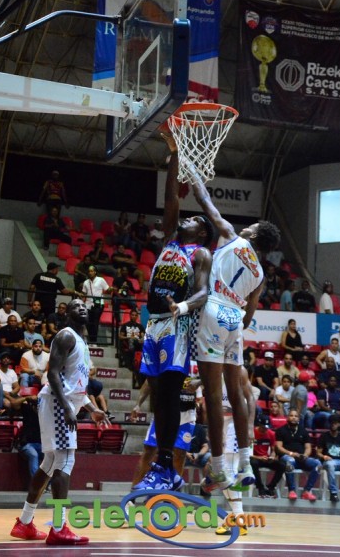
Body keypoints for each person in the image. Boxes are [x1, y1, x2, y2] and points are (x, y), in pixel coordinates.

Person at [190, 159, 280, 494]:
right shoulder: (260, 275)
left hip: (214, 308)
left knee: (213, 396)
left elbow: (204, 200)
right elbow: (249, 318)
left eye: (252, 225)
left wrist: (191, 171)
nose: (248, 226)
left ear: (253, 235)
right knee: (238, 393)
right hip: (234, 320)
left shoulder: (230, 235)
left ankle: (218, 469)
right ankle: (245, 464)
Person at [133, 144, 213, 492]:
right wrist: (175, 153)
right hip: (154, 324)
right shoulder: (169, 239)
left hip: (177, 326)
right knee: (157, 397)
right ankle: (164, 463)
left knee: (168, 395)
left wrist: (182, 307)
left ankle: (166, 462)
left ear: (202, 232)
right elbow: (170, 197)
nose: (187, 219)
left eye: (195, 220)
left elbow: (203, 292)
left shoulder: (200, 253)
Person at [10, 299, 109, 545]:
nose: (82, 307)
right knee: (65, 460)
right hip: (57, 402)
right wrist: (66, 407)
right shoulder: (66, 336)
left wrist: (93, 409)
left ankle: (24, 523)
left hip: (60, 401)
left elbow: (75, 384)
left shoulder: (81, 342)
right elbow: (52, 373)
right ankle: (59, 527)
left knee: (50, 463)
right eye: (76, 305)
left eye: (84, 305)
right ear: (67, 313)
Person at [131, 374, 203, 492]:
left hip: (187, 415)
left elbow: (209, 377)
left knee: (180, 455)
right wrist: (138, 404)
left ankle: (169, 495)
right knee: (149, 451)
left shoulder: (197, 365)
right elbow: (149, 380)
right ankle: (133, 494)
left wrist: (199, 383)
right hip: (165, 411)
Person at [214, 366, 257, 537]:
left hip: (236, 423)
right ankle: (237, 516)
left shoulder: (240, 370)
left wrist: (250, 426)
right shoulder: (212, 368)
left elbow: (250, 398)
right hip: (221, 423)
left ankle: (239, 520)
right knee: (222, 474)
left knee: (229, 471)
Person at [275, 409, 321, 501]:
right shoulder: (281, 430)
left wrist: (305, 455)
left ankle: (306, 491)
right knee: (290, 461)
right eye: (291, 416)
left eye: (296, 416)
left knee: (318, 464)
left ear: (299, 419)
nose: (293, 418)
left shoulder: (303, 431)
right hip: (287, 457)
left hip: (301, 458)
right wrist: (291, 454)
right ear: (287, 417)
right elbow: (278, 447)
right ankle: (291, 490)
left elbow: (308, 447)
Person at [316, 413, 340, 502]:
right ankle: (333, 493)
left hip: (339, 461)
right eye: (332, 423)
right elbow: (318, 453)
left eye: (335, 423)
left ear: (338, 424)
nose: (333, 425)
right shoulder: (324, 436)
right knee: (330, 465)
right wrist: (324, 456)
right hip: (327, 462)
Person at [250, 413, 285, 498]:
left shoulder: (271, 434)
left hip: (265, 458)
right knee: (253, 463)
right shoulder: (252, 433)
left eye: (266, 427)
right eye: (263, 427)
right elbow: (248, 453)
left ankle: (271, 487)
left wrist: (272, 456)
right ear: (259, 425)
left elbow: (273, 450)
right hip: (254, 457)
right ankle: (260, 487)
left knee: (282, 465)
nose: (265, 429)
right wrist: (259, 458)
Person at [82, 265, 112, 344]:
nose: (90, 272)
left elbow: (107, 290)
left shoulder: (101, 280)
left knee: (95, 322)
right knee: (88, 322)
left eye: (92, 271)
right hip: (88, 305)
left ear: (95, 272)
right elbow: (84, 294)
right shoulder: (85, 282)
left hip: (99, 304)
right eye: (89, 271)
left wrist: (111, 289)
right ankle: (91, 340)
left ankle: (94, 341)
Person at [18, 398, 43, 480]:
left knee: (51, 456)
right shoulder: (28, 411)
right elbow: (14, 404)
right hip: (27, 444)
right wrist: (26, 398)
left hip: (41, 445)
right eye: (36, 406)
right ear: (33, 406)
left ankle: (48, 484)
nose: (38, 409)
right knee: (34, 455)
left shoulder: (45, 415)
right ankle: (37, 483)